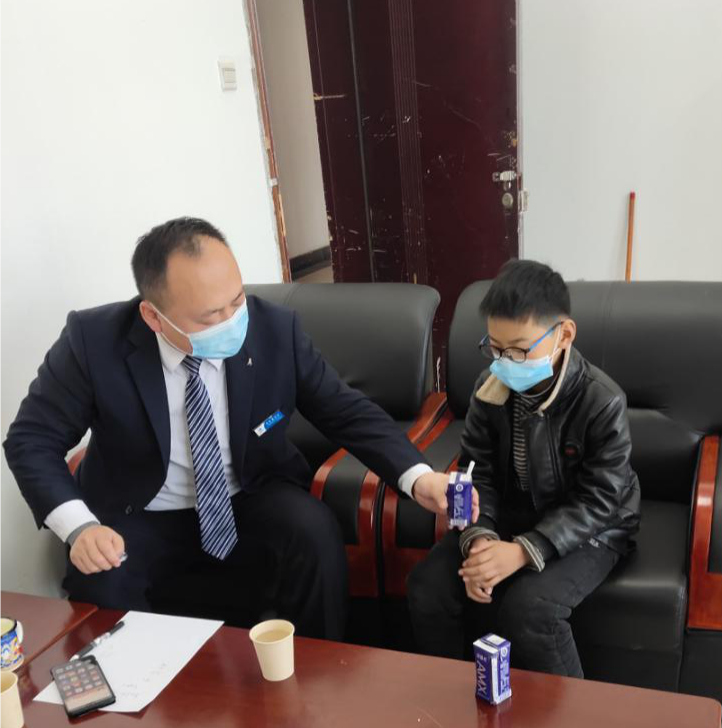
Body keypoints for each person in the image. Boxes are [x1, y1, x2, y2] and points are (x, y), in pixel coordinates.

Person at [4, 217, 471, 638]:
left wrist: (418, 477)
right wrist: (79, 527)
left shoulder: (274, 330)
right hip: (138, 510)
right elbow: (31, 439)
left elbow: (344, 410)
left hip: (250, 493)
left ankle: (320, 669)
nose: (233, 322)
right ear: (153, 316)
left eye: (236, 301)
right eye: (211, 316)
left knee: (314, 533)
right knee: (100, 579)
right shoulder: (93, 342)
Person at [408, 259, 640, 678]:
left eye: (518, 350)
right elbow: (478, 471)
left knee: (530, 611)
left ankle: (570, 717)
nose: (505, 362)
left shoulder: (602, 400)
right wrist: (480, 539)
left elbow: (600, 500)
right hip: (513, 515)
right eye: (495, 349)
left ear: (564, 335)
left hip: (594, 528)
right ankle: (450, 699)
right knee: (429, 587)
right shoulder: (489, 388)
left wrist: (523, 550)